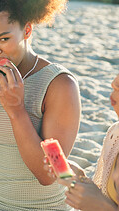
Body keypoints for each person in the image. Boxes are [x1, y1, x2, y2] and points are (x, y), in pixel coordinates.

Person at [0, 0, 81, 210]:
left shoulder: (60, 84)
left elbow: (49, 175)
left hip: (45, 205)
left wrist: (16, 110)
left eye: (3, 39)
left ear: (27, 30)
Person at [45, 74, 119, 211]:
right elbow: (103, 195)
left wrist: (104, 207)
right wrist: (79, 178)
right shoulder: (115, 135)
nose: (114, 83)